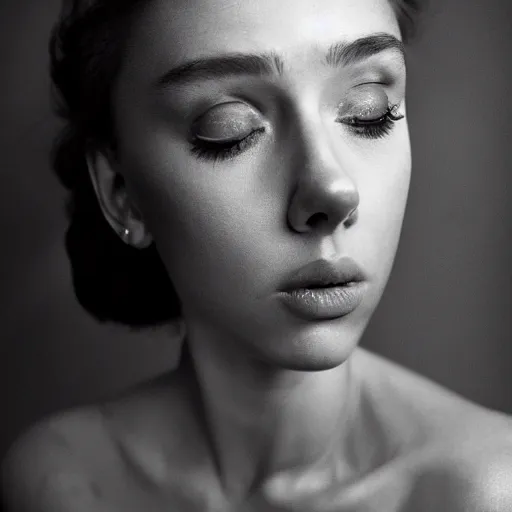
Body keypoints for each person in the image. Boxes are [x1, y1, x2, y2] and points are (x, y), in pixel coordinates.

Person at [2, 0, 512, 510]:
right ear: (121, 191)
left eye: (368, 111)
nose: (331, 191)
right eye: (230, 128)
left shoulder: (485, 489)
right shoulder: (60, 482)